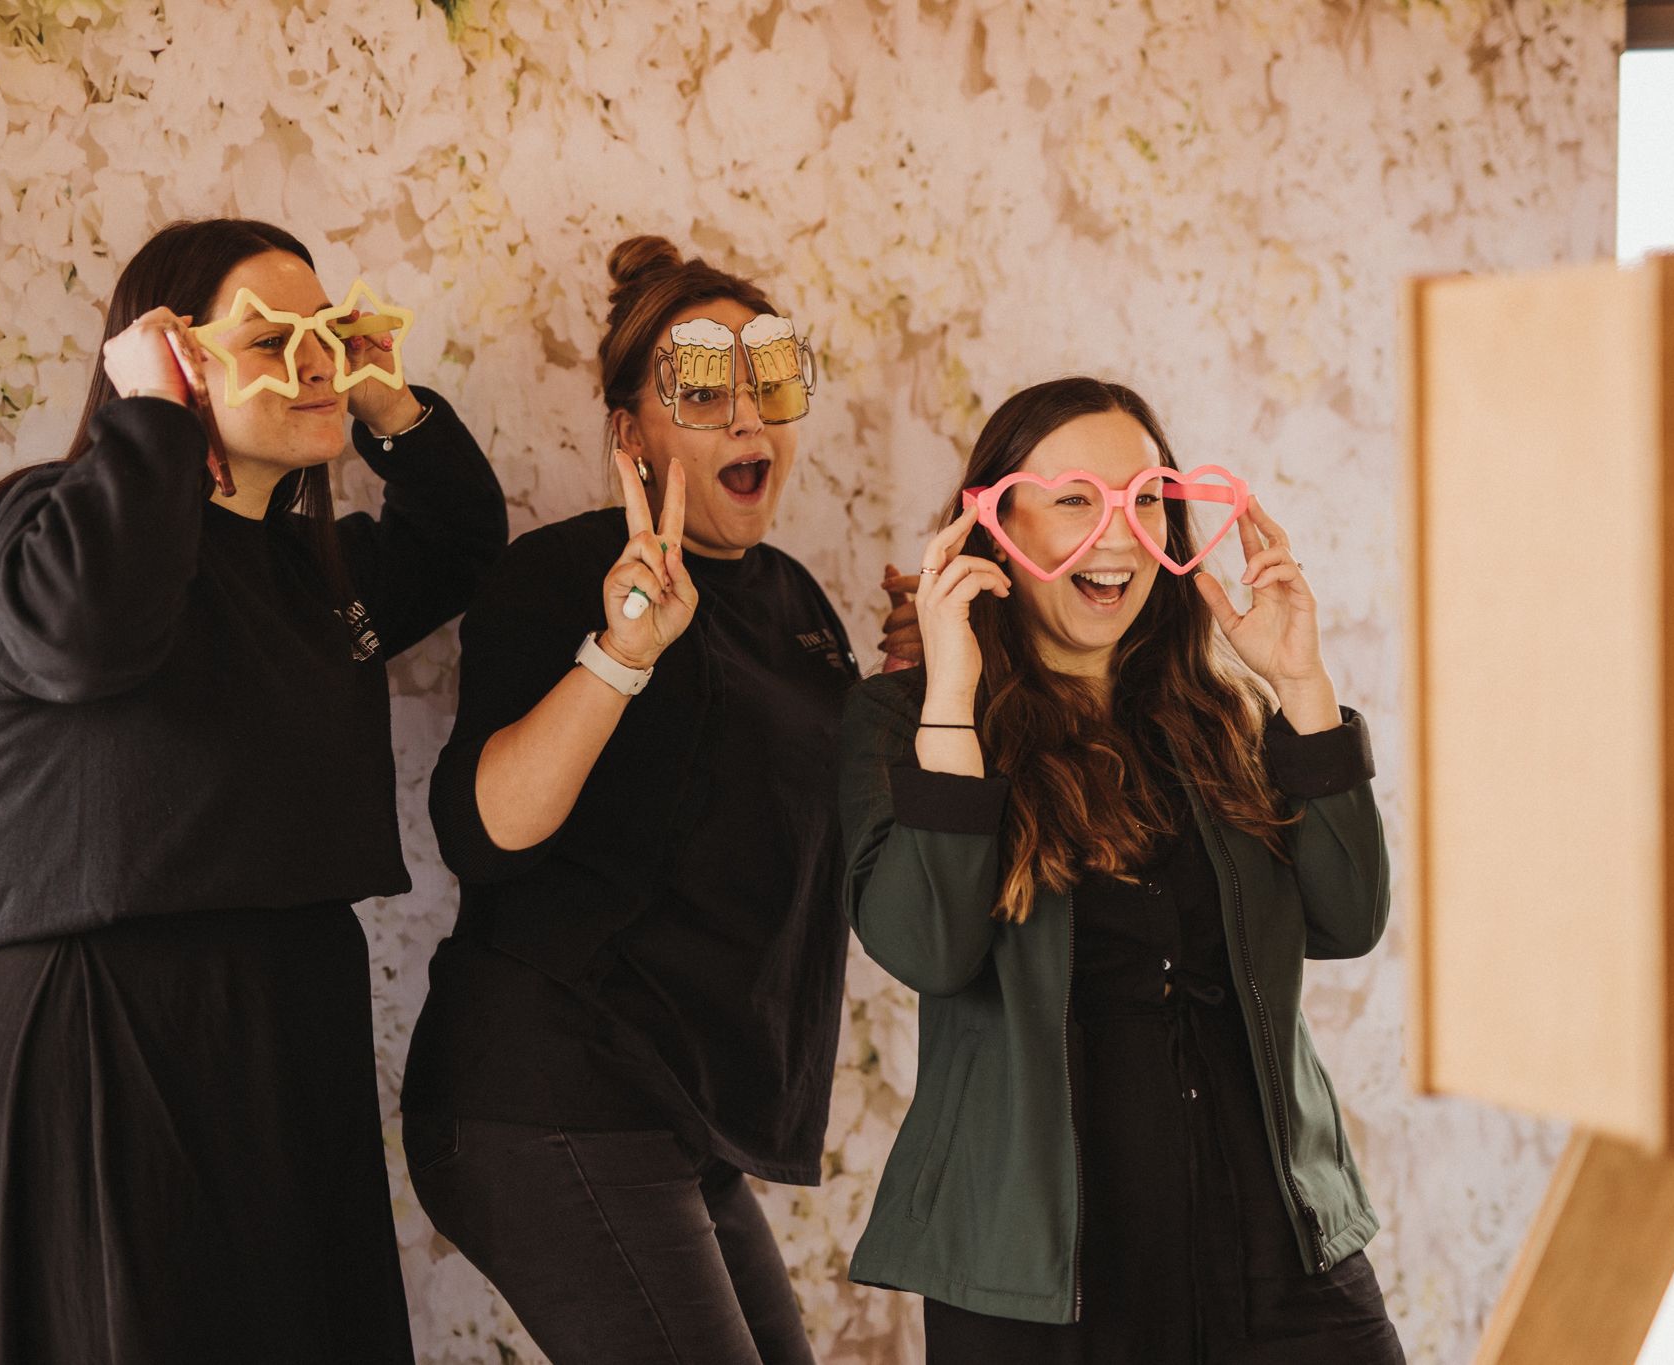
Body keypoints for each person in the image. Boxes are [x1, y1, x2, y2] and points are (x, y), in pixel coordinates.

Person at [0, 216, 507, 1365]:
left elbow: (458, 540)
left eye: (331, 332)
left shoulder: (315, 573)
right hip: (114, 1013)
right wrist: (148, 417)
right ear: (172, 357)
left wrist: (387, 400)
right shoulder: (48, 520)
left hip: (292, 1002)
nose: (314, 362)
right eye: (271, 338)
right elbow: (85, 642)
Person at [402, 236, 903, 1364]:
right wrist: (623, 651)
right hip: (545, 1091)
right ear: (630, 433)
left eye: (767, 387)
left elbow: (821, 832)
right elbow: (481, 832)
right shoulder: (562, 573)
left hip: (680, 1109)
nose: (747, 422)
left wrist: (918, 694)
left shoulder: (792, 599)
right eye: (701, 394)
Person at [839, 377, 1407, 1362]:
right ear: (992, 522)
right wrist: (951, 695)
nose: (1114, 532)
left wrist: (1301, 687)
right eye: (1072, 499)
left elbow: (1347, 918)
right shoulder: (907, 724)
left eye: (1142, 498)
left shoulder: (1219, 718)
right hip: (1044, 1288)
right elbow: (928, 947)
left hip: (1276, 1257)